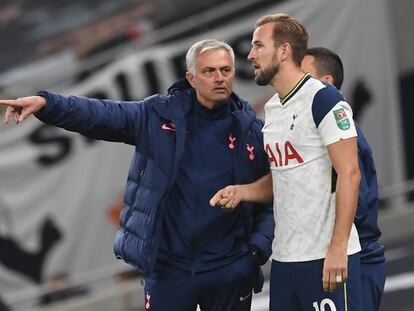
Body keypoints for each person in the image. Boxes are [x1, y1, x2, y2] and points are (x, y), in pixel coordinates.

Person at [0, 39, 274, 311]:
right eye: (209, 71)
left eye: (225, 70)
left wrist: (254, 252)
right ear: (191, 78)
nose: (219, 78)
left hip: (229, 268)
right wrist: (47, 104)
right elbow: (100, 114)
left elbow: (270, 196)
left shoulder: (251, 130)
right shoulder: (156, 116)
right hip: (170, 270)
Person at [211, 14, 363, 310]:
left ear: (283, 51)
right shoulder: (272, 109)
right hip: (284, 261)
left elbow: (351, 173)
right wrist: (243, 192)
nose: (250, 55)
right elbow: (283, 176)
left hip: (325, 258)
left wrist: (338, 246)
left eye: (258, 46)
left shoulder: (324, 99)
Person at [302, 47, 386, 311]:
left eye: (304, 77)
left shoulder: (341, 133)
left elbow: (358, 202)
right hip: (340, 256)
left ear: (326, 83)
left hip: (353, 258)